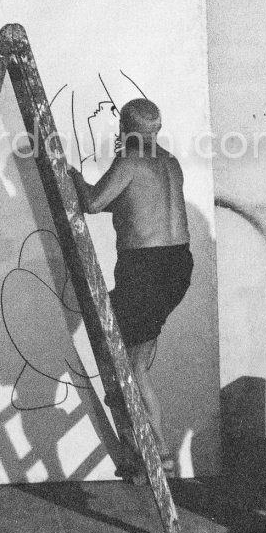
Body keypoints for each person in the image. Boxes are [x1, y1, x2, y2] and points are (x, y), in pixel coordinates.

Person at [69, 98, 193, 475]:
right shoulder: (169, 162)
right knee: (135, 364)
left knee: (130, 368)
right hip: (177, 266)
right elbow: (132, 204)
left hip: (146, 268)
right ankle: (150, 452)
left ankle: (159, 452)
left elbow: (91, 203)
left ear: (125, 130)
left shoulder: (130, 161)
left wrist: (71, 174)